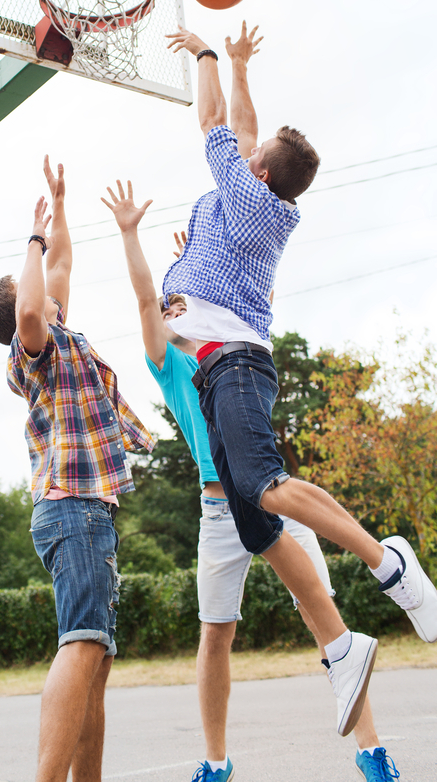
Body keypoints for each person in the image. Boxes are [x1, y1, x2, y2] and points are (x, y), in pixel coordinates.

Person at [159, 22, 437, 729]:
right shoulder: (256, 196)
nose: (243, 149)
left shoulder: (247, 197)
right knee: (256, 525)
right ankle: (342, 649)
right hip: (215, 370)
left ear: (256, 173)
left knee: (266, 486)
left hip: (234, 363)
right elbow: (247, 131)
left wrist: (206, 56)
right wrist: (242, 66)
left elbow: (215, 122)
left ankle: (389, 564)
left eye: (250, 156)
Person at [102, 180, 401, 782]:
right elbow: (143, 299)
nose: (177, 309)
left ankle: (371, 751)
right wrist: (132, 235)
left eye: (184, 302)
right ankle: (216, 762)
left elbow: (238, 283)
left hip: (271, 496)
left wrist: (201, 266)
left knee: (324, 620)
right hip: (219, 512)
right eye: (172, 306)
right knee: (216, 637)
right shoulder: (171, 365)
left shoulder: (235, 351)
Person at [0, 157, 155, 782]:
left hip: (87, 511)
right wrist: (32, 237)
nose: (50, 288)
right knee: (81, 642)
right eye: (34, 282)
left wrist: (58, 208)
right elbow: (30, 308)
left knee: (95, 661)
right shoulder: (33, 349)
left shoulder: (61, 337)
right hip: (72, 508)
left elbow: (62, 268)